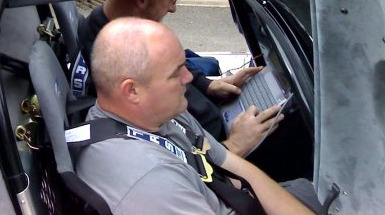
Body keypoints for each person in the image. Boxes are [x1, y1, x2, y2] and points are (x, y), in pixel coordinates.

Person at [74, 18, 321, 215]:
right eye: (175, 73)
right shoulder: (149, 183)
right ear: (132, 90)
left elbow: (234, 166)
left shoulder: (161, 115)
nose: (189, 78)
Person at [73, 0, 283, 157]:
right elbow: (176, 155)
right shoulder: (117, 53)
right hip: (215, 151)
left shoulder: (119, 31)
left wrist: (208, 85)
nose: (173, 8)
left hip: (217, 129)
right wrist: (234, 145)